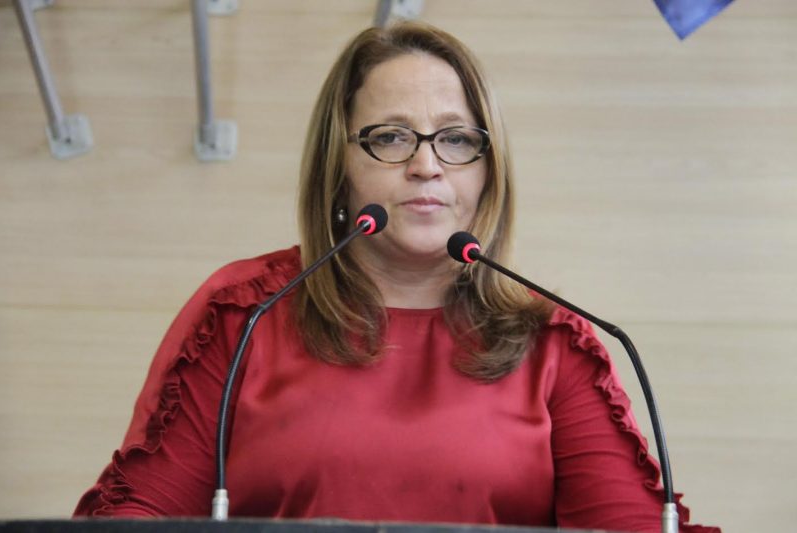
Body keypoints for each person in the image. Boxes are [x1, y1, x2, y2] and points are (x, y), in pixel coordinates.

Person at [75, 22, 719, 533]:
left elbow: (631, 528)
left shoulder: (554, 340)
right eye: (390, 137)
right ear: (338, 164)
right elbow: (143, 512)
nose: (427, 166)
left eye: (456, 140)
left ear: (488, 168)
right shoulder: (246, 313)